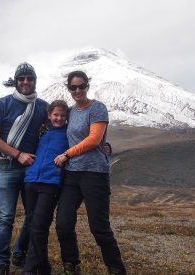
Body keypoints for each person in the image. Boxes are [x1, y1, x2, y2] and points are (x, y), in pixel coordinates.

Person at [54, 71, 127, 275]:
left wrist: (67, 154)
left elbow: (95, 139)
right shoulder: (69, 111)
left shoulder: (97, 108)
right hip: (71, 175)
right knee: (63, 223)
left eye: (81, 86)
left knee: (99, 227)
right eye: (73, 87)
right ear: (68, 88)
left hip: (94, 174)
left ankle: (116, 269)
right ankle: (71, 264)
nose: (77, 90)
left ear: (87, 85)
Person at [0, 62, 48, 275]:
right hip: (6, 167)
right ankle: (1, 264)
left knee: (33, 216)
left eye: (29, 78)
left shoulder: (42, 107)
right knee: (5, 217)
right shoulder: (1, 104)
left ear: (34, 81)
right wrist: (17, 154)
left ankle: (20, 254)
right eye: (21, 78)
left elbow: (56, 130)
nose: (25, 82)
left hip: (31, 169)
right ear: (16, 81)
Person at [23, 100, 69, 275]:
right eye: (55, 115)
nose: (58, 118)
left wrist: (106, 147)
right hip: (31, 181)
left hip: (50, 184)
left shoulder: (69, 134)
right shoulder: (42, 132)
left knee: (39, 226)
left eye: (62, 115)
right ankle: (43, 268)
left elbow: (84, 144)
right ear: (49, 115)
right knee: (33, 224)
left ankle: (29, 269)